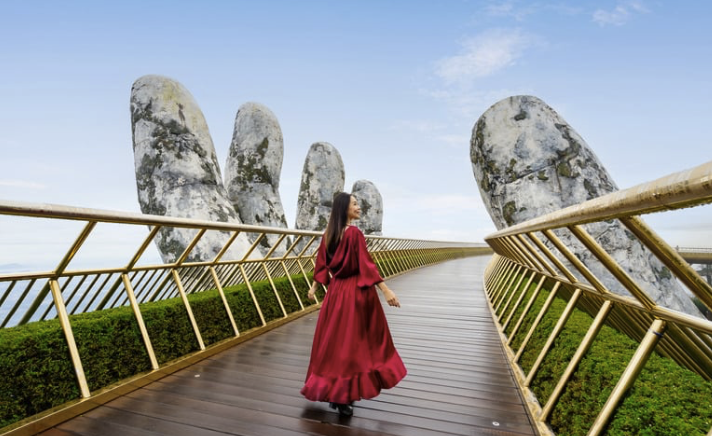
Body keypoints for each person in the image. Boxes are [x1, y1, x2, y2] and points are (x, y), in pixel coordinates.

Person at [300, 192, 407, 416]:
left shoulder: (328, 234)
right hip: (355, 293)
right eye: (355, 204)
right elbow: (366, 265)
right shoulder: (354, 233)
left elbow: (322, 264)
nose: (359, 207)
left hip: (335, 293)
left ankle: (338, 393)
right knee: (356, 345)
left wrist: (314, 287)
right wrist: (386, 290)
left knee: (336, 344)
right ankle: (343, 395)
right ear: (344, 209)